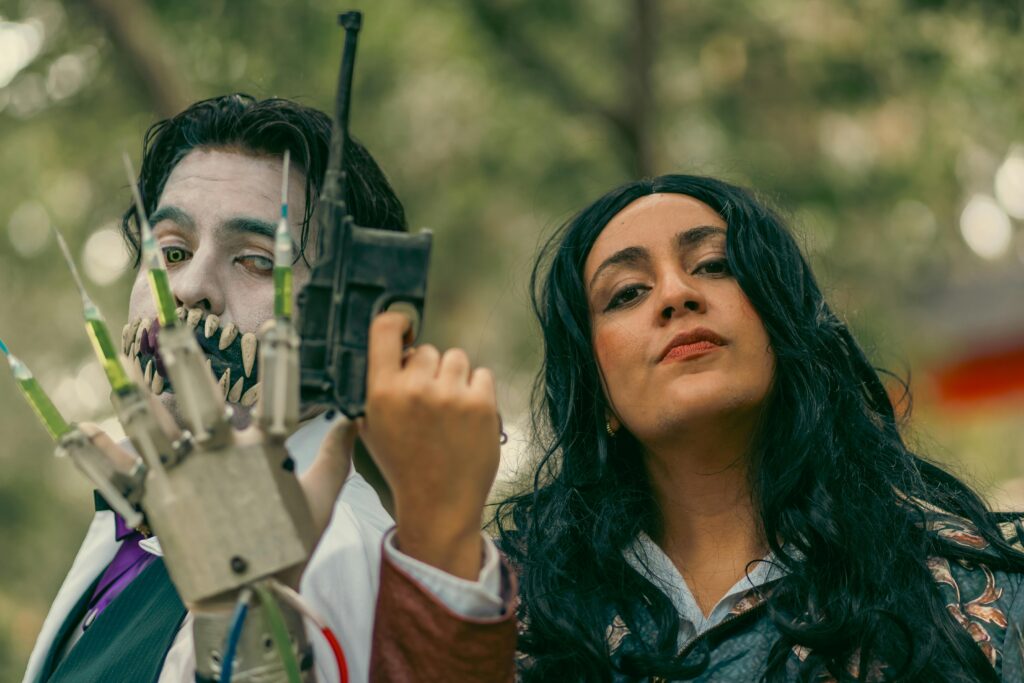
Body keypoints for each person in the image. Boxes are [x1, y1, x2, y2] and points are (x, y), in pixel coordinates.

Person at [361, 175, 1024, 681]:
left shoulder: (960, 585)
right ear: (599, 394)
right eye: (626, 293)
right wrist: (434, 523)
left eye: (714, 264)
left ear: (784, 327)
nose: (677, 294)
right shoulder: (514, 609)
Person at [22, 93, 407, 683]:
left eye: (255, 262)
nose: (189, 287)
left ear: (349, 326)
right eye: (171, 251)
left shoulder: (337, 562)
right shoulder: (131, 515)